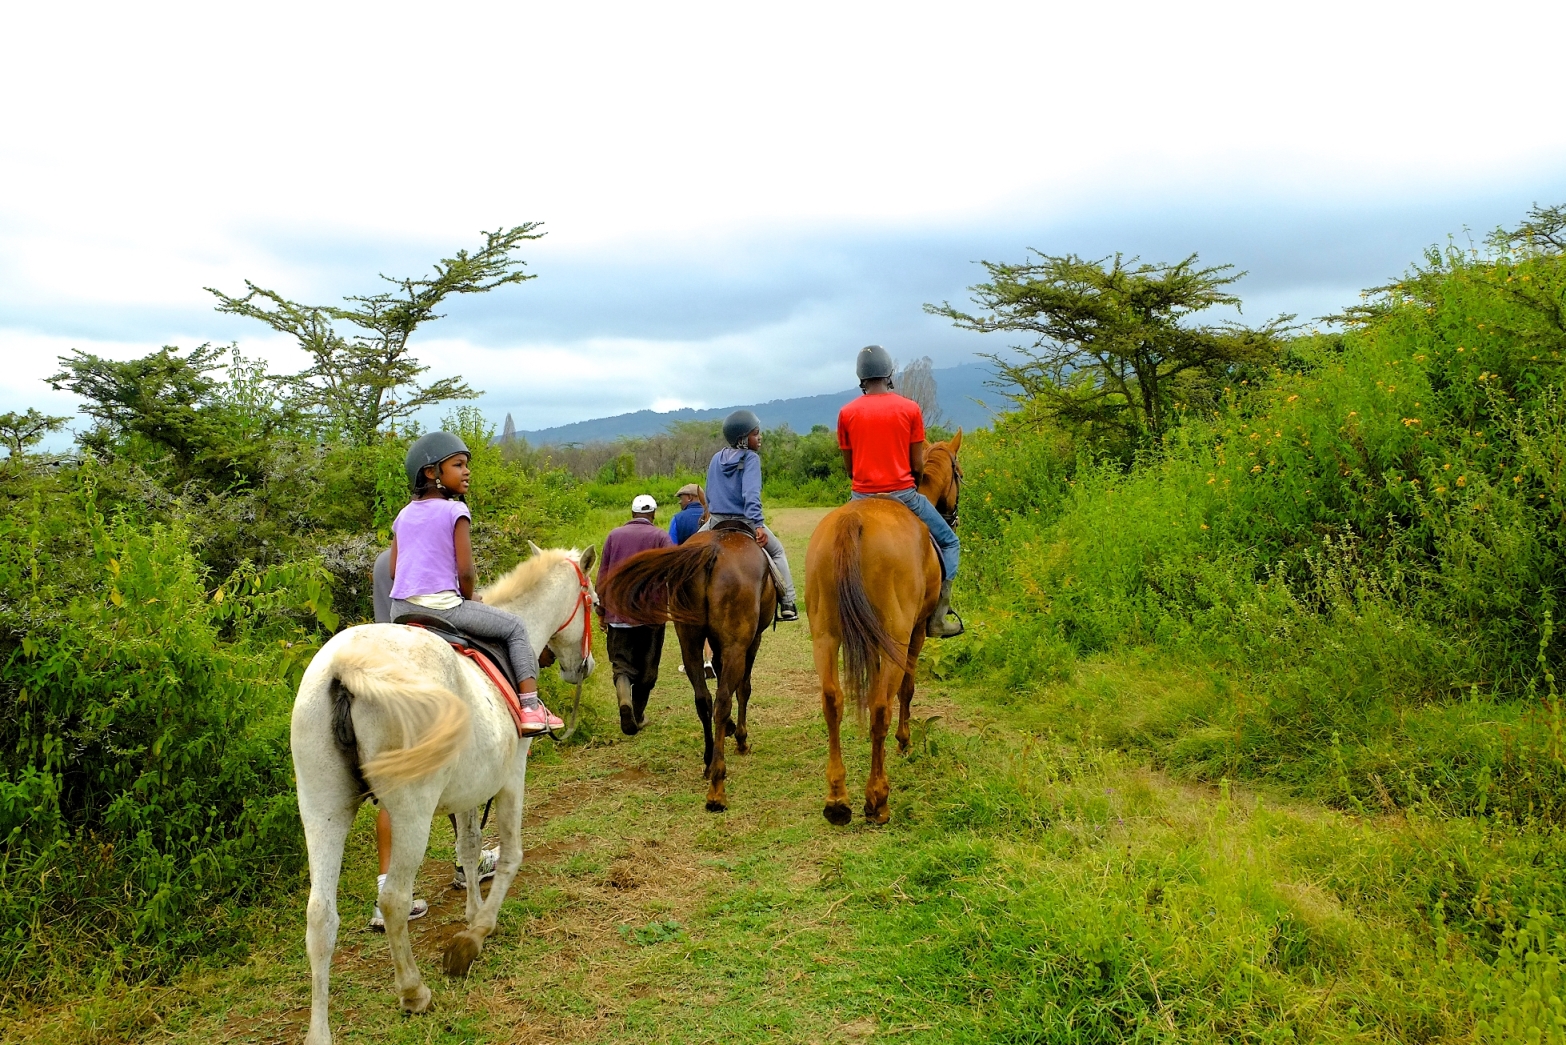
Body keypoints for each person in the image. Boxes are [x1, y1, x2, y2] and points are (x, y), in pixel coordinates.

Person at [836, 345, 963, 637]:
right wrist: (912, 480)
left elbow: (850, 468)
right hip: (904, 494)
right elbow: (918, 465)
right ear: (889, 374)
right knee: (950, 542)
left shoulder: (846, 413)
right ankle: (938, 617)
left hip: (861, 497)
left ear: (861, 377)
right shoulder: (909, 409)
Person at [701, 409, 798, 621]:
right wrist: (759, 524)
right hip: (744, 521)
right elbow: (751, 495)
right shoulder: (751, 458)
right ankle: (788, 602)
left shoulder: (716, 458)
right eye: (755, 433)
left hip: (715, 521)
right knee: (778, 551)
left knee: (687, 549)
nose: (760, 437)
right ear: (743, 440)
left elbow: (708, 492)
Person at [598, 494, 675, 736]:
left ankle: (624, 701)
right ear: (652, 514)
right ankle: (638, 715)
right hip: (651, 616)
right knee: (647, 670)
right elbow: (672, 571)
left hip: (618, 613)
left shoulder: (613, 536)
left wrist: (602, 610)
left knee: (621, 666)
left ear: (632, 514)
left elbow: (603, 575)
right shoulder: (661, 537)